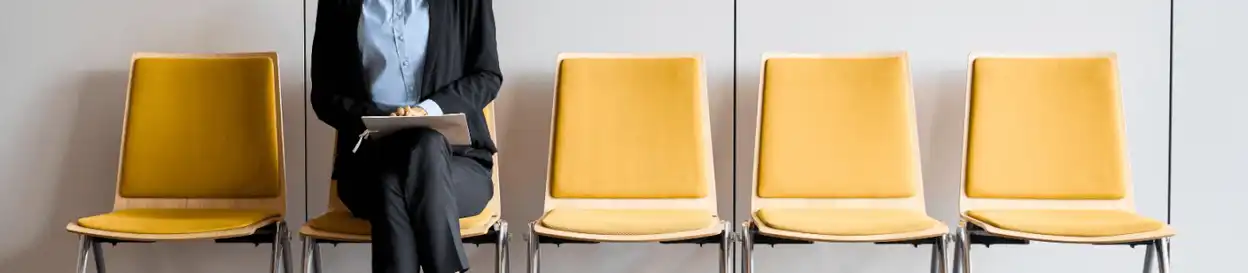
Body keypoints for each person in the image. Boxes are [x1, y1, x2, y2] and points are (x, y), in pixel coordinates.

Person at [309, 0, 501, 272]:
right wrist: (381, 119)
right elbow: (324, 96)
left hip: (459, 165)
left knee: (416, 156)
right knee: (406, 162)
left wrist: (426, 112)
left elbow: (487, 75)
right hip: (369, 165)